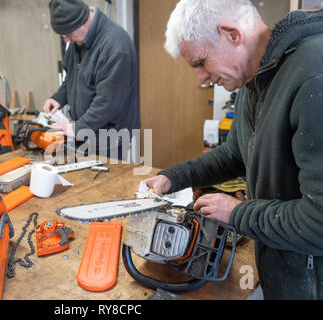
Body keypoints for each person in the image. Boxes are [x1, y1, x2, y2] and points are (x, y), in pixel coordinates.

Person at [143, 0, 323, 299]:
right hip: (284, 268)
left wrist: (237, 213)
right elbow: (234, 155)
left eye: (200, 62)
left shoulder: (313, 77)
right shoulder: (254, 84)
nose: (200, 77)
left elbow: (318, 222)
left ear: (232, 34)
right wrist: (172, 177)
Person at [43, 0, 140, 160]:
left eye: (67, 34)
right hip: (86, 129)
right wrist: (58, 98)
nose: (66, 40)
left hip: (110, 136)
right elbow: (72, 79)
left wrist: (77, 128)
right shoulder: (79, 40)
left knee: (106, 181)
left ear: (81, 22)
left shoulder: (115, 47)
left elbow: (108, 103)